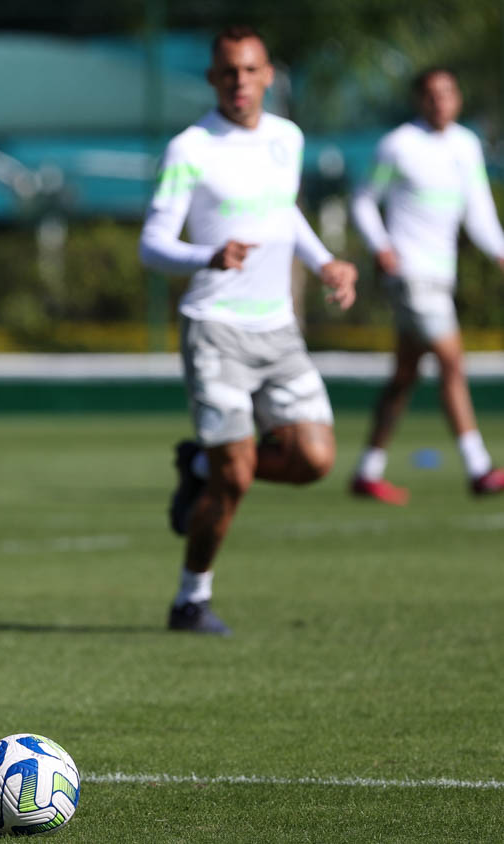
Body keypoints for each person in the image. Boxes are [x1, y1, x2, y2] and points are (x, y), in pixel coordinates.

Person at [139, 25, 358, 636]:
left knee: (314, 459)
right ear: (213, 78)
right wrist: (206, 255)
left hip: (278, 330)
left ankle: (201, 468)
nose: (240, 82)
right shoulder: (191, 148)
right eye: (228, 71)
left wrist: (326, 262)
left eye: (251, 70)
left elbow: (283, 210)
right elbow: (154, 244)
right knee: (237, 475)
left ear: (268, 76)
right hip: (215, 330)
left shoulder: (287, 138)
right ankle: (191, 601)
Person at [348, 67, 504, 503]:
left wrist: (500, 251)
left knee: (404, 377)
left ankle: (367, 470)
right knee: (452, 363)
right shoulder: (398, 145)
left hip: (442, 274)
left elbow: (479, 212)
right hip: (410, 273)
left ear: (457, 98)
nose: (440, 102)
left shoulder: (466, 146)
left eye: (448, 93)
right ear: (419, 99)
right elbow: (363, 200)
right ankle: (478, 467)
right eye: (432, 94)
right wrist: (381, 245)